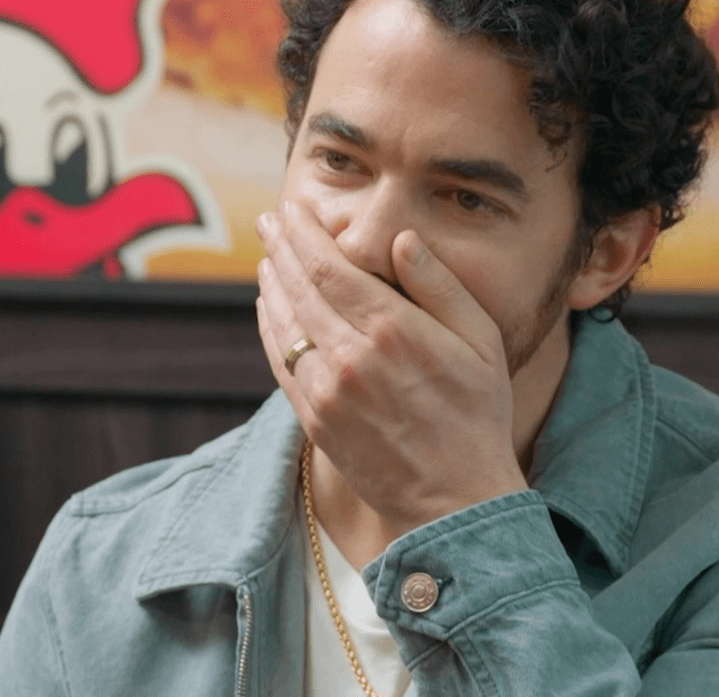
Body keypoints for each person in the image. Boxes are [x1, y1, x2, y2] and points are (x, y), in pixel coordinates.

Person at [1, 0, 719, 694]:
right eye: (339, 161)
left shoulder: (701, 542)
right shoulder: (95, 571)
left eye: (465, 197)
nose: (366, 243)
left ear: (606, 252)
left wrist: (453, 506)